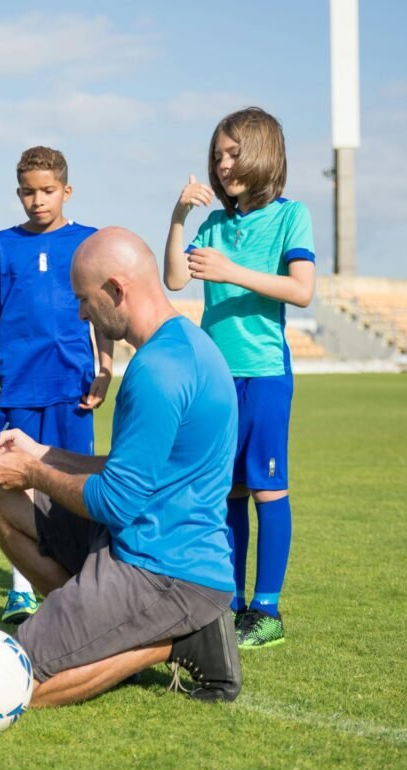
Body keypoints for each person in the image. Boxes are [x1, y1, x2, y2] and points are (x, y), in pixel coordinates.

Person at [0, 227, 241, 707]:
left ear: (117, 290)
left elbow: (115, 502)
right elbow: (130, 469)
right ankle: (96, 627)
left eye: (84, 300)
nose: (81, 313)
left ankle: (173, 641)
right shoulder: (181, 344)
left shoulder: (158, 372)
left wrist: (33, 475)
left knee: (10, 688)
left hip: (164, 568)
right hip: (146, 539)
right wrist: (38, 452)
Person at [163, 107, 315, 649]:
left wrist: (230, 272)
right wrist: (179, 215)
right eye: (218, 155)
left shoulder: (291, 216)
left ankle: (267, 612)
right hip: (215, 378)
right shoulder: (215, 223)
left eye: (233, 153)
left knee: (268, 490)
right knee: (225, 493)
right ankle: (225, 604)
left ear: (263, 152)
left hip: (266, 375)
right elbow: (175, 280)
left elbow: (301, 290)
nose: (223, 164)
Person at [0, 146, 113, 625]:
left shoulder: (89, 241)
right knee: (11, 478)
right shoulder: (1, 245)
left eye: (48, 191)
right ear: (18, 193)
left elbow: (102, 311)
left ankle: (83, 578)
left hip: (71, 385)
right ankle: (22, 590)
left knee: (71, 484)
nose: (38, 200)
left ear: (66, 191)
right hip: (17, 384)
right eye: (29, 192)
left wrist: (104, 366)